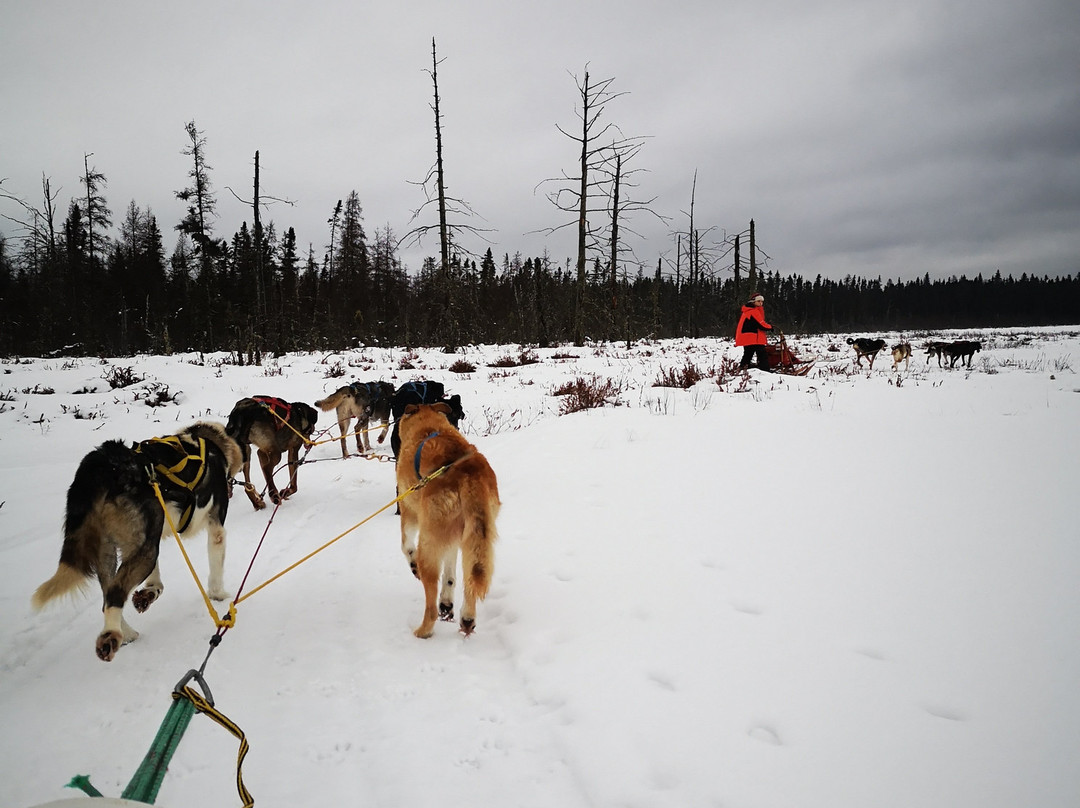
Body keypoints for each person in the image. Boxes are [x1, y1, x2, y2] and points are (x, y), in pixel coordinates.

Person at [735, 293, 774, 371]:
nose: (761, 303)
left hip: (747, 336)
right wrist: (770, 327)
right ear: (753, 302)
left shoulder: (747, 311)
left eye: (762, 301)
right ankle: (765, 371)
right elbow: (761, 324)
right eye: (758, 301)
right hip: (754, 337)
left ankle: (742, 368)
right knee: (762, 355)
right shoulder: (753, 311)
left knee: (748, 354)